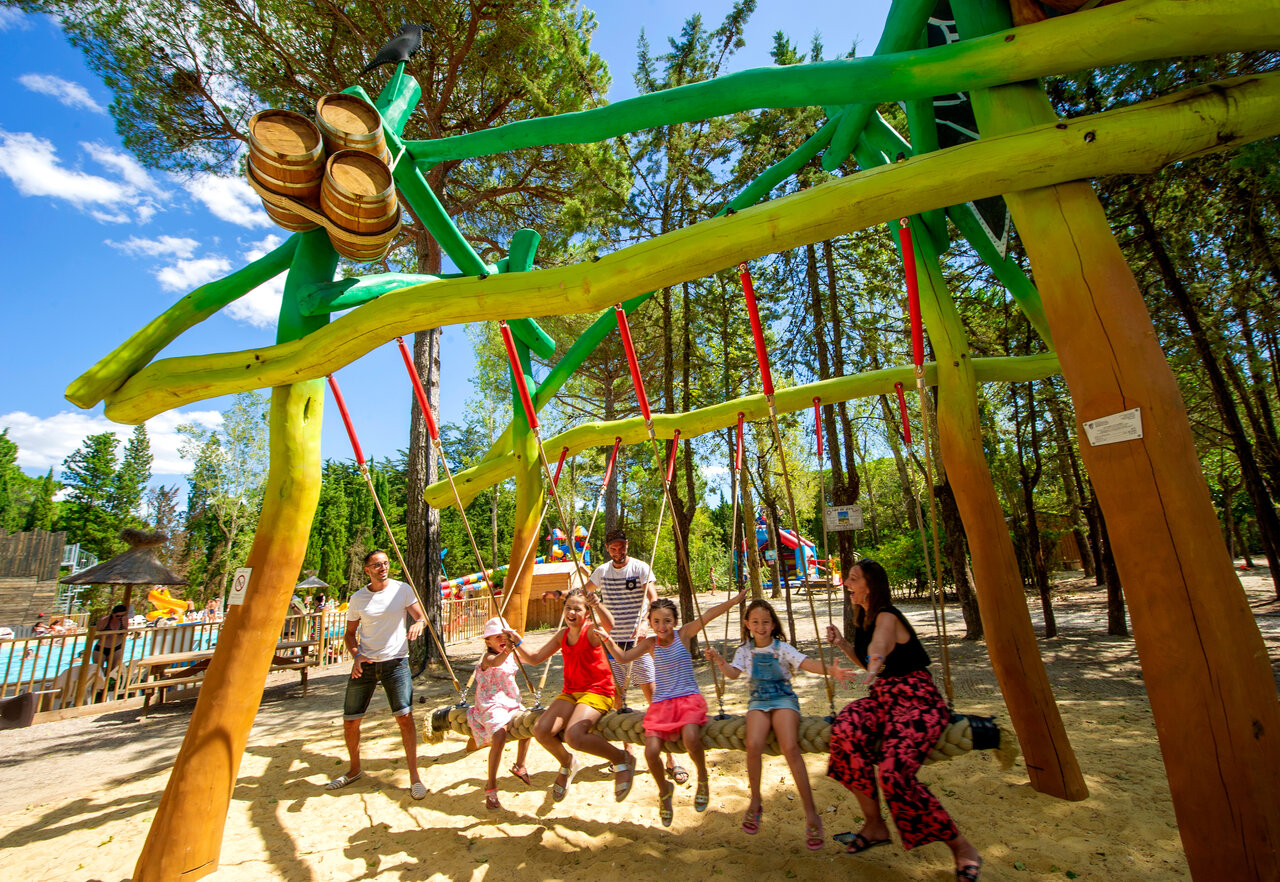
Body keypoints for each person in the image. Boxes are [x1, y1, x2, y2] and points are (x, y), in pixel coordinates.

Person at [825, 558, 982, 880]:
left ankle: (962, 848)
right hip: (884, 699)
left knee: (893, 772)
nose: (846, 584)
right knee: (845, 728)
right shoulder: (864, 619)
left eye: (853, 578)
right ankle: (874, 824)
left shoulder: (886, 616)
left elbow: (880, 647)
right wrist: (842, 643)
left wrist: (875, 662)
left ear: (870, 586)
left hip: (916, 700)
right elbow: (868, 659)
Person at [707, 598, 851, 850]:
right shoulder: (744, 650)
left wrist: (831, 670)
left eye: (765, 622)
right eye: (755, 622)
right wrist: (719, 660)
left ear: (773, 624)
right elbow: (733, 673)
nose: (760, 627)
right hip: (758, 700)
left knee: (789, 747)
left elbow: (807, 663)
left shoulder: (782, 648)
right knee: (753, 744)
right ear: (747, 624)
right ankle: (755, 801)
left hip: (783, 699)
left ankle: (811, 813)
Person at [599, 589, 746, 826]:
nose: (662, 626)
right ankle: (664, 791)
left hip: (687, 698)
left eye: (667, 621)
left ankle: (703, 778)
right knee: (650, 751)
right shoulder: (650, 643)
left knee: (690, 738)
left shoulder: (684, 634)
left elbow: (708, 615)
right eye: (656, 621)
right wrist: (606, 639)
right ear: (650, 623)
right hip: (662, 704)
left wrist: (734, 600)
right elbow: (623, 658)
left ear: (675, 621)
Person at [327, 549, 428, 800]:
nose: (382, 568)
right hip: (366, 664)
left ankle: (415, 778)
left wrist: (418, 624)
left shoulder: (402, 589)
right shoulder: (358, 598)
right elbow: (350, 634)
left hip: (396, 663)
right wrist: (356, 655)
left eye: (385, 563)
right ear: (367, 570)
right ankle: (354, 770)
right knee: (351, 720)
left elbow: (421, 617)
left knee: (405, 717)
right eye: (376, 565)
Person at [520, 588, 635, 803]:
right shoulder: (562, 635)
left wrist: (597, 604)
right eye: (568, 608)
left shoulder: (591, 631)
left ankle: (621, 759)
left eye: (577, 609)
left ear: (587, 613)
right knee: (541, 730)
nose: (571, 612)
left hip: (598, 690)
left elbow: (609, 624)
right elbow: (534, 658)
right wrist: (517, 643)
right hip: (571, 693)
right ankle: (567, 763)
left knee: (574, 736)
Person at [589, 529, 682, 783]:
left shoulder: (640, 567)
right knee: (619, 700)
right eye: (613, 548)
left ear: (626, 545)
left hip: (637, 643)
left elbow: (653, 597)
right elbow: (583, 593)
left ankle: (671, 757)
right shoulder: (602, 571)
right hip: (612, 644)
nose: (618, 552)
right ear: (607, 549)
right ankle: (627, 752)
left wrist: (645, 622)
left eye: (621, 547)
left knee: (654, 697)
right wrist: (566, 597)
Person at [466, 616, 533, 810]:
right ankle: (491, 785)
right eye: (496, 637)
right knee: (500, 734)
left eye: (504, 636)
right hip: (491, 703)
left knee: (527, 724)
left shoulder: (512, 655)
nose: (502, 639)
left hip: (511, 700)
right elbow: (496, 662)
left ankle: (520, 765)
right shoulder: (487, 658)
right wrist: (508, 651)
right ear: (488, 642)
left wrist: (518, 644)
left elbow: (531, 658)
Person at [92, 605, 131, 673]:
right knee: (98, 671)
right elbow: (94, 635)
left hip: (116, 647)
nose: (119, 617)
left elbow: (125, 633)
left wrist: (123, 633)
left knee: (112, 671)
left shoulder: (124, 620)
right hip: (101, 648)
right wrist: (103, 635)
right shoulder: (104, 620)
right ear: (113, 614)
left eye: (122, 615)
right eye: (117, 616)